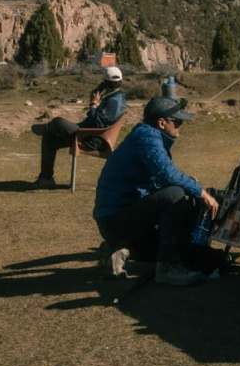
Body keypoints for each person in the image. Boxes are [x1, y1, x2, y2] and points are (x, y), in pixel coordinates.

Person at [93, 95, 220, 286]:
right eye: (177, 121)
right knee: (175, 195)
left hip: (121, 217)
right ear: (162, 122)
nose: (180, 125)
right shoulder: (147, 137)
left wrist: (189, 185)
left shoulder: (149, 135)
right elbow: (167, 175)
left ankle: (119, 249)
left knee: (177, 246)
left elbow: (155, 180)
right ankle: (167, 269)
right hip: (115, 219)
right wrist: (200, 192)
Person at [30, 66, 127, 187]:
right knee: (49, 138)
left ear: (105, 84)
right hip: (89, 134)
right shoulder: (117, 96)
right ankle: (46, 179)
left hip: (91, 139)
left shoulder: (114, 102)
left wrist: (93, 104)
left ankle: (46, 128)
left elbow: (97, 123)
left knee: (58, 121)